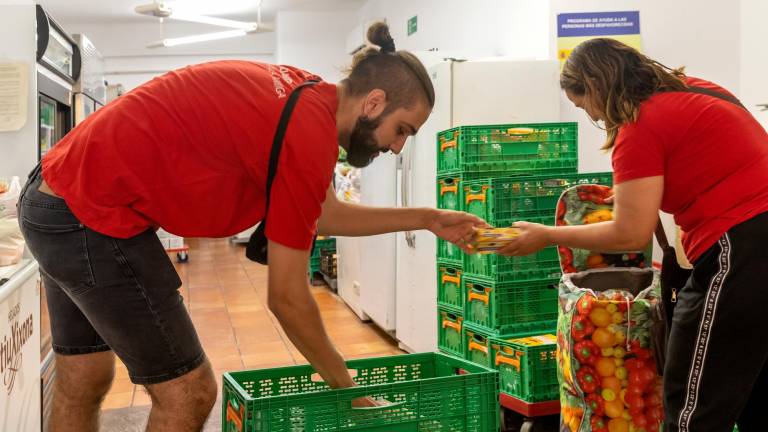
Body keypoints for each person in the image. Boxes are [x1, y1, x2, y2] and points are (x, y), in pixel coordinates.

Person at [19, 22, 484, 432]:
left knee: (84, 376)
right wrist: (350, 389)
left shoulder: (309, 98)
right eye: (402, 129)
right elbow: (286, 298)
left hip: (53, 196)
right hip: (91, 213)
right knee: (189, 393)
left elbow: (321, 213)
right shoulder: (308, 131)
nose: (399, 147)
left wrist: (427, 218)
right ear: (374, 102)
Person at [498, 38, 768, 432]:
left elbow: (629, 232)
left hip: (742, 245)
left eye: (583, 104)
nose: (590, 113)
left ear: (595, 87)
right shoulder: (694, 89)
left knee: (692, 403)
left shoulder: (640, 124)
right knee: (752, 388)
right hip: (752, 239)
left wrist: (546, 234)